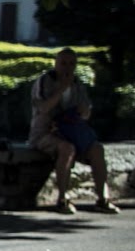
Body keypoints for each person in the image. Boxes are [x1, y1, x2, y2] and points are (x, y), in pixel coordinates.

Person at [29, 48, 118, 214]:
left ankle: (103, 198)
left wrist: (84, 111)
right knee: (67, 149)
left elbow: (86, 113)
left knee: (97, 149)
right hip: (45, 134)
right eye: (63, 63)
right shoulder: (44, 82)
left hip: (71, 133)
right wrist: (61, 89)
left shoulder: (78, 85)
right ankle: (62, 198)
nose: (67, 68)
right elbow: (43, 108)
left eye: (71, 64)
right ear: (56, 64)